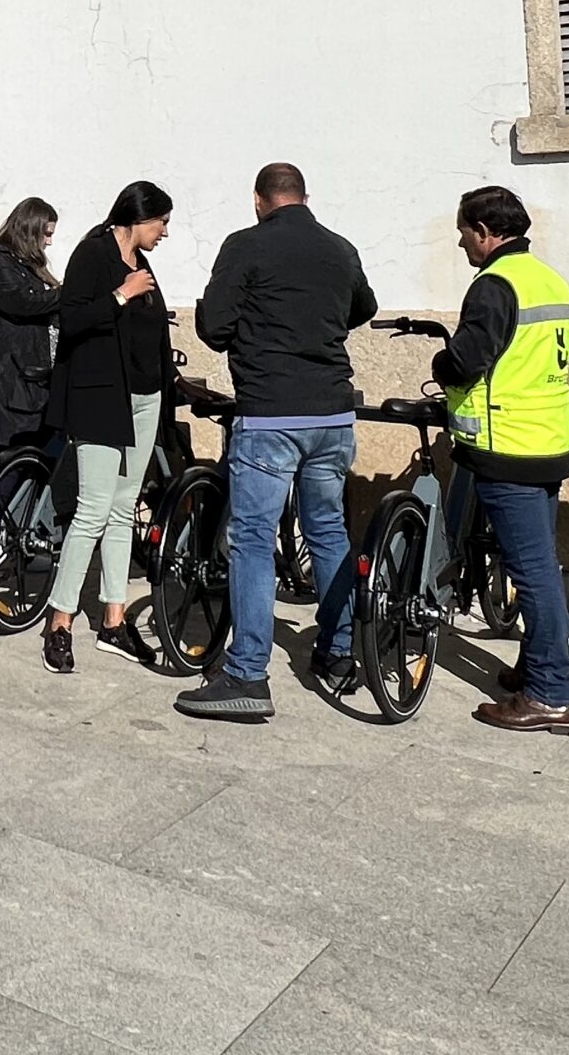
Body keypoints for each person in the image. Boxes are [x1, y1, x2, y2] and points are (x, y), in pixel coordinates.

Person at [177, 162, 377, 722]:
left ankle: (246, 672)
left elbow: (213, 326)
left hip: (270, 415)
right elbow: (365, 307)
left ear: (259, 200)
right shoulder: (339, 248)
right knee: (329, 532)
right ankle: (337, 653)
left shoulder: (246, 245)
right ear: (304, 198)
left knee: (254, 540)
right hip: (333, 413)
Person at [432, 184, 569, 734]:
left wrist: (440, 363)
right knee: (543, 567)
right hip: (546, 442)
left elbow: (469, 359)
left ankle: (549, 695)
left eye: (464, 234)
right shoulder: (549, 279)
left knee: (534, 576)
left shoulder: (494, 284)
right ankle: (537, 667)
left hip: (506, 446)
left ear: (486, 232)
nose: (462, 244)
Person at [41, 182, 177, 675]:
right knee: (93, 511)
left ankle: (114, 619)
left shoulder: (142, 263)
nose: (165, 231)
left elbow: (153, 336)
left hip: (143, 400)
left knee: (123, 510)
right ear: (137, 216)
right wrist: (121, 295)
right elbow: (71, 319)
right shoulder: (94, 254)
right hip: (99, 399)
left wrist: (172, 388)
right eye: (160, 221)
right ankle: (59, 622)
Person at [0, 197, 61, 536]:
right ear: (29, 229)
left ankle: (10, 533)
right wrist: (71, 295)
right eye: (46, 233)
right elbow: (22, 303)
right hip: (4, 384)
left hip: (29, 384)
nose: (49, 241)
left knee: (23, 459)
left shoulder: (26, 265)